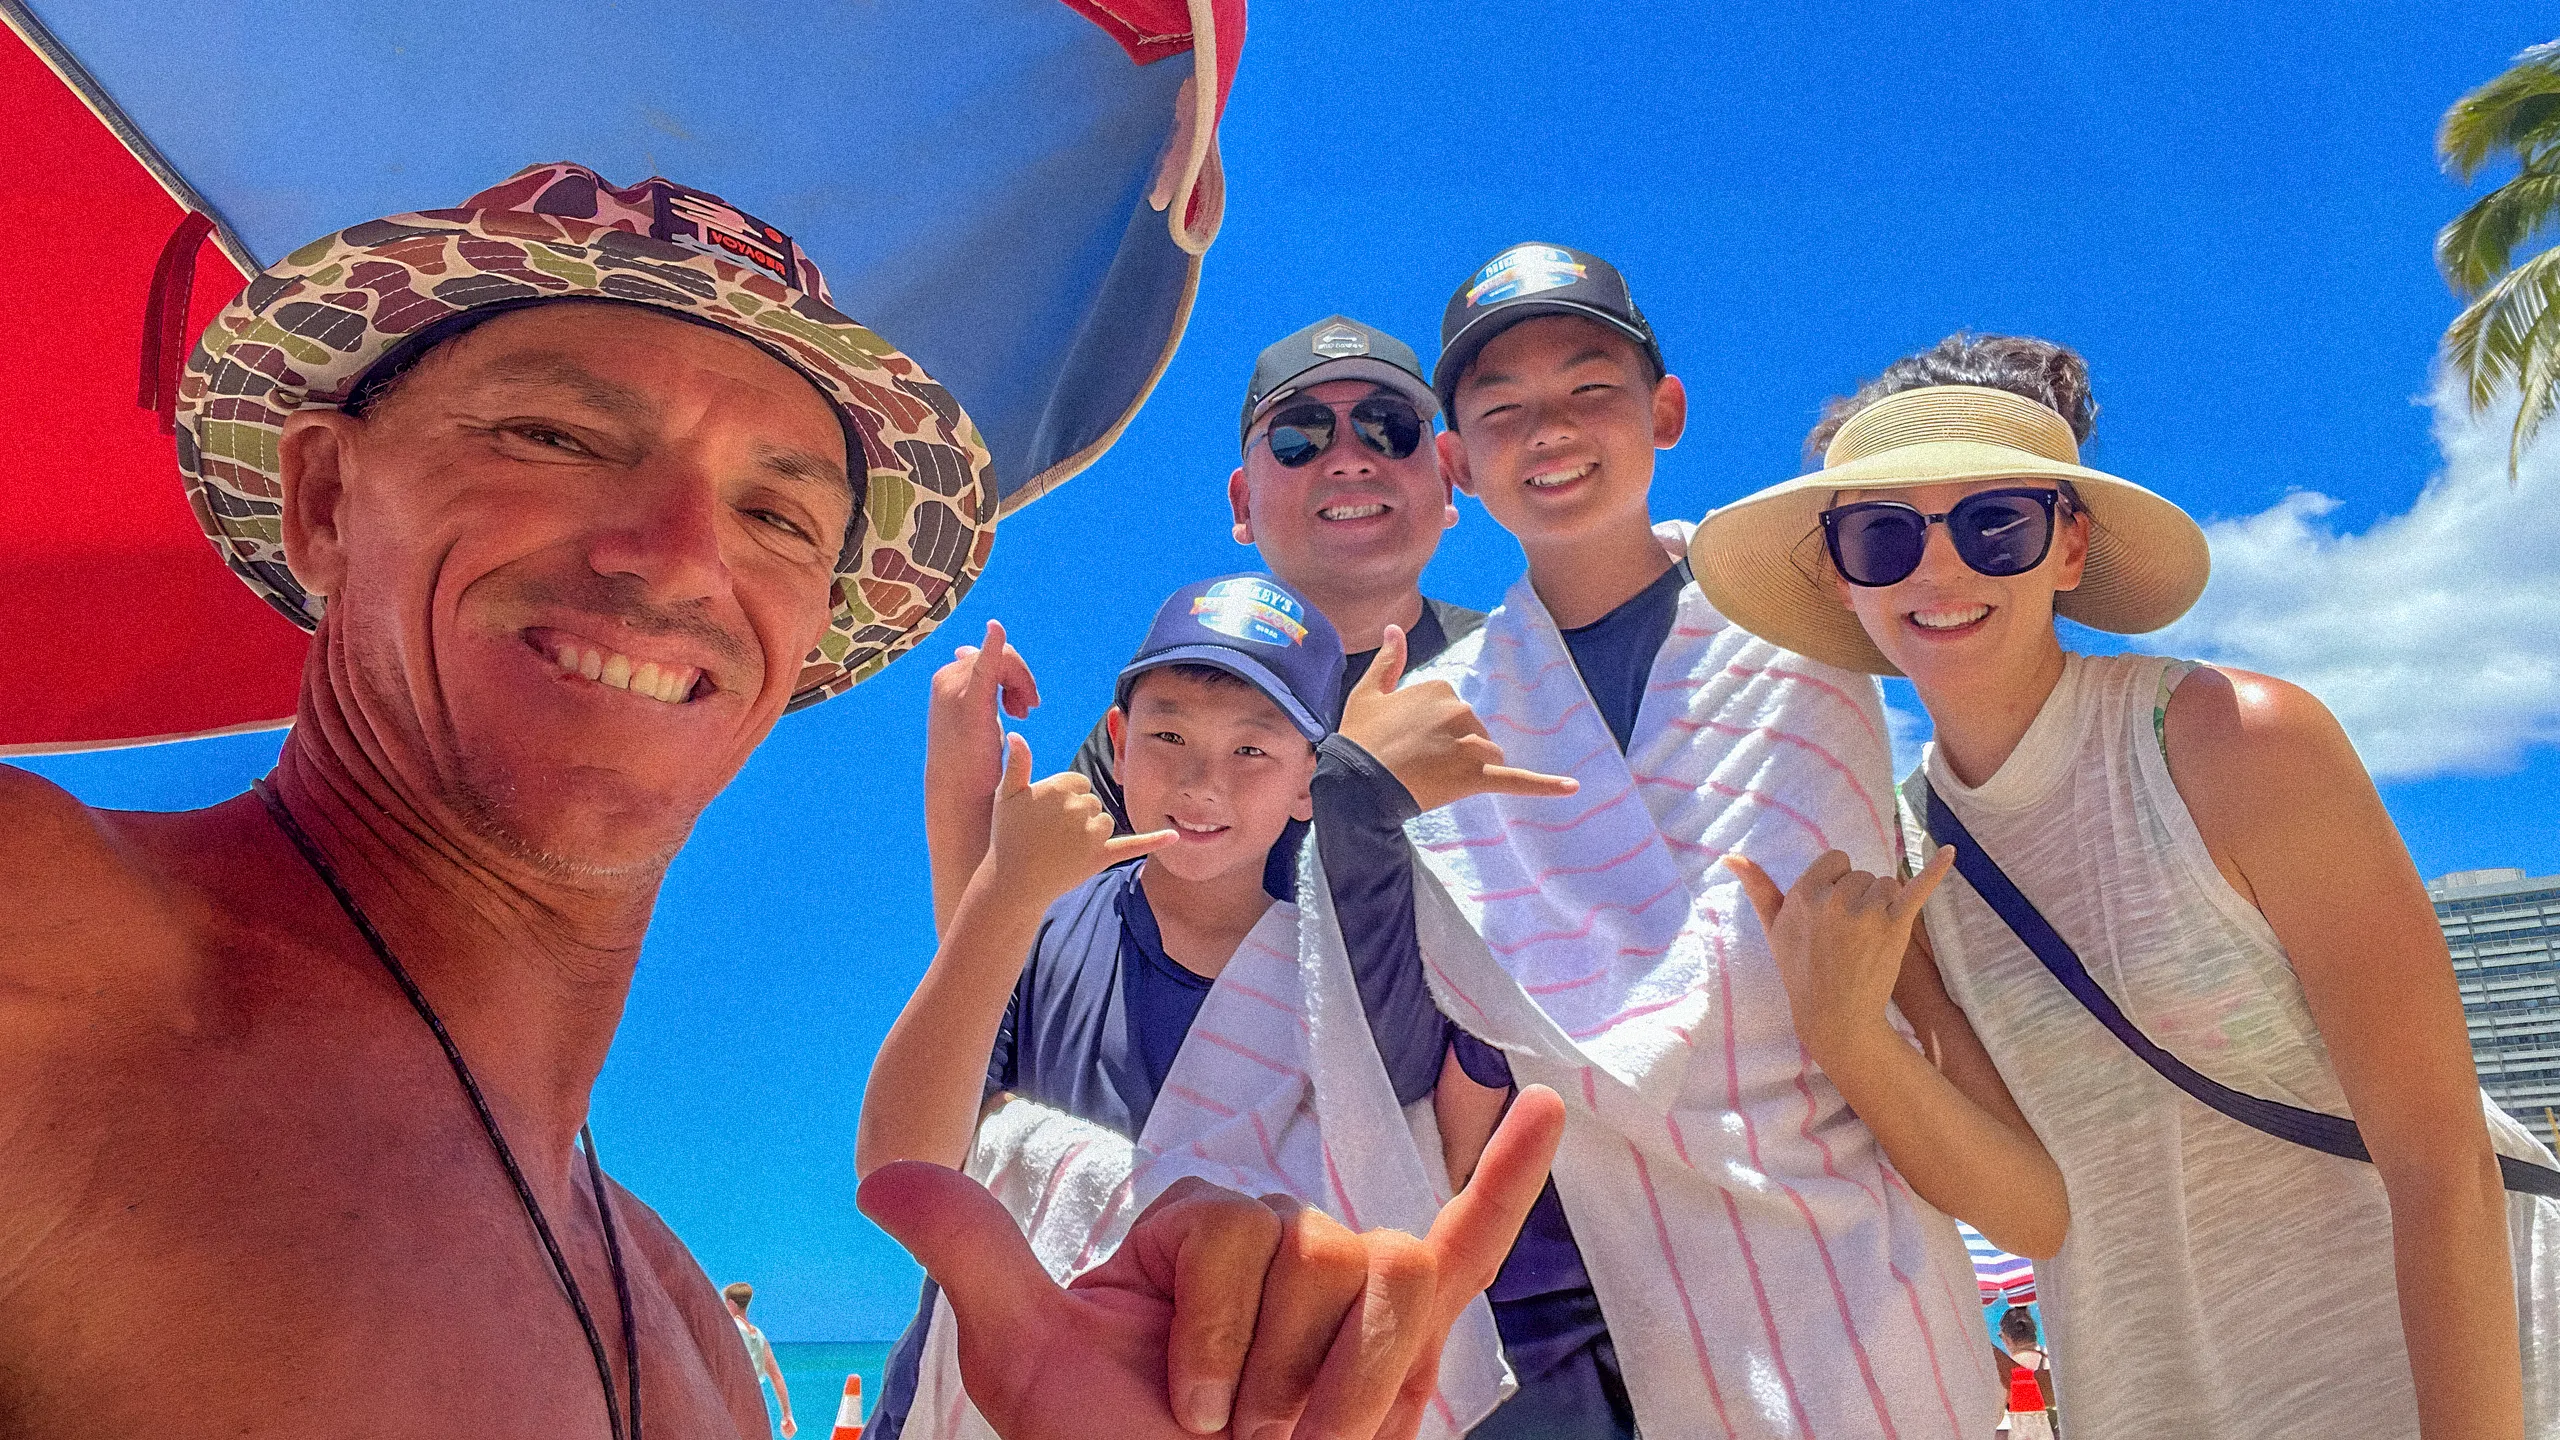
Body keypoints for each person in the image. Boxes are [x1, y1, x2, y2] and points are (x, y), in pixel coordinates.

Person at [0, 164, 1562, 1440]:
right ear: (328, 501)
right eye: (552, 434)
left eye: (774, 510)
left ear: (810, 628)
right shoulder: (48, 965)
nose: (679, 554)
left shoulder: (681, 1338)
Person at [1688, 332, 2560, 1438]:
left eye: (1994, 522)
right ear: (1843, 575)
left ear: (2068, 546)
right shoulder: (1901, 850)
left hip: (2455, 1378)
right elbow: (2039, 1210)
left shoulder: (2232, 743)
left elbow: (2438, 1160)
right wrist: (1847, 1036)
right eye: (1884, 533)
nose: (1938, 568)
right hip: (2161, 1395)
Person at [1313, 243, 2046, 1438]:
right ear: (1455, 464)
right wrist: (1356, 793)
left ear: (1665, 411)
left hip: (1853, 1249)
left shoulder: (1811, 627)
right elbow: (1404, 1016)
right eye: (1502, 410)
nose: (1549, 429)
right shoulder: (1444, 710)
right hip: (1598, 1280)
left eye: (1589, 390)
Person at [864, 572, 1576, 1438]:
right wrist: (1002, 883)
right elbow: (910, 1162)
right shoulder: (1043, 916)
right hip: (1003, 1389)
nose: (1204, 782)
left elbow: (1432, 1147)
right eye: (1168, 735)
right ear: (1117, 744)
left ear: (1310, 780)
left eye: (1253, 751)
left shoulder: (1359, 966)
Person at [926, 316, 1482, 927]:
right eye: (1300, 437)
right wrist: (963, 786)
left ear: (1448, 485)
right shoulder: (1171, 698)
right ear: (1242, 504)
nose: (1349, 460)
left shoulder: (1528, 670)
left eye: (1390, 430)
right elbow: (1016, 982)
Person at [724, 1283, 799, 1438]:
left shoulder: (730, 1329)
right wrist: (787, 1413)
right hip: (756, 1400)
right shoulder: (758, 1335)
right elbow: (776, 1376)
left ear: (730, 1304)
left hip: (733, 1400)